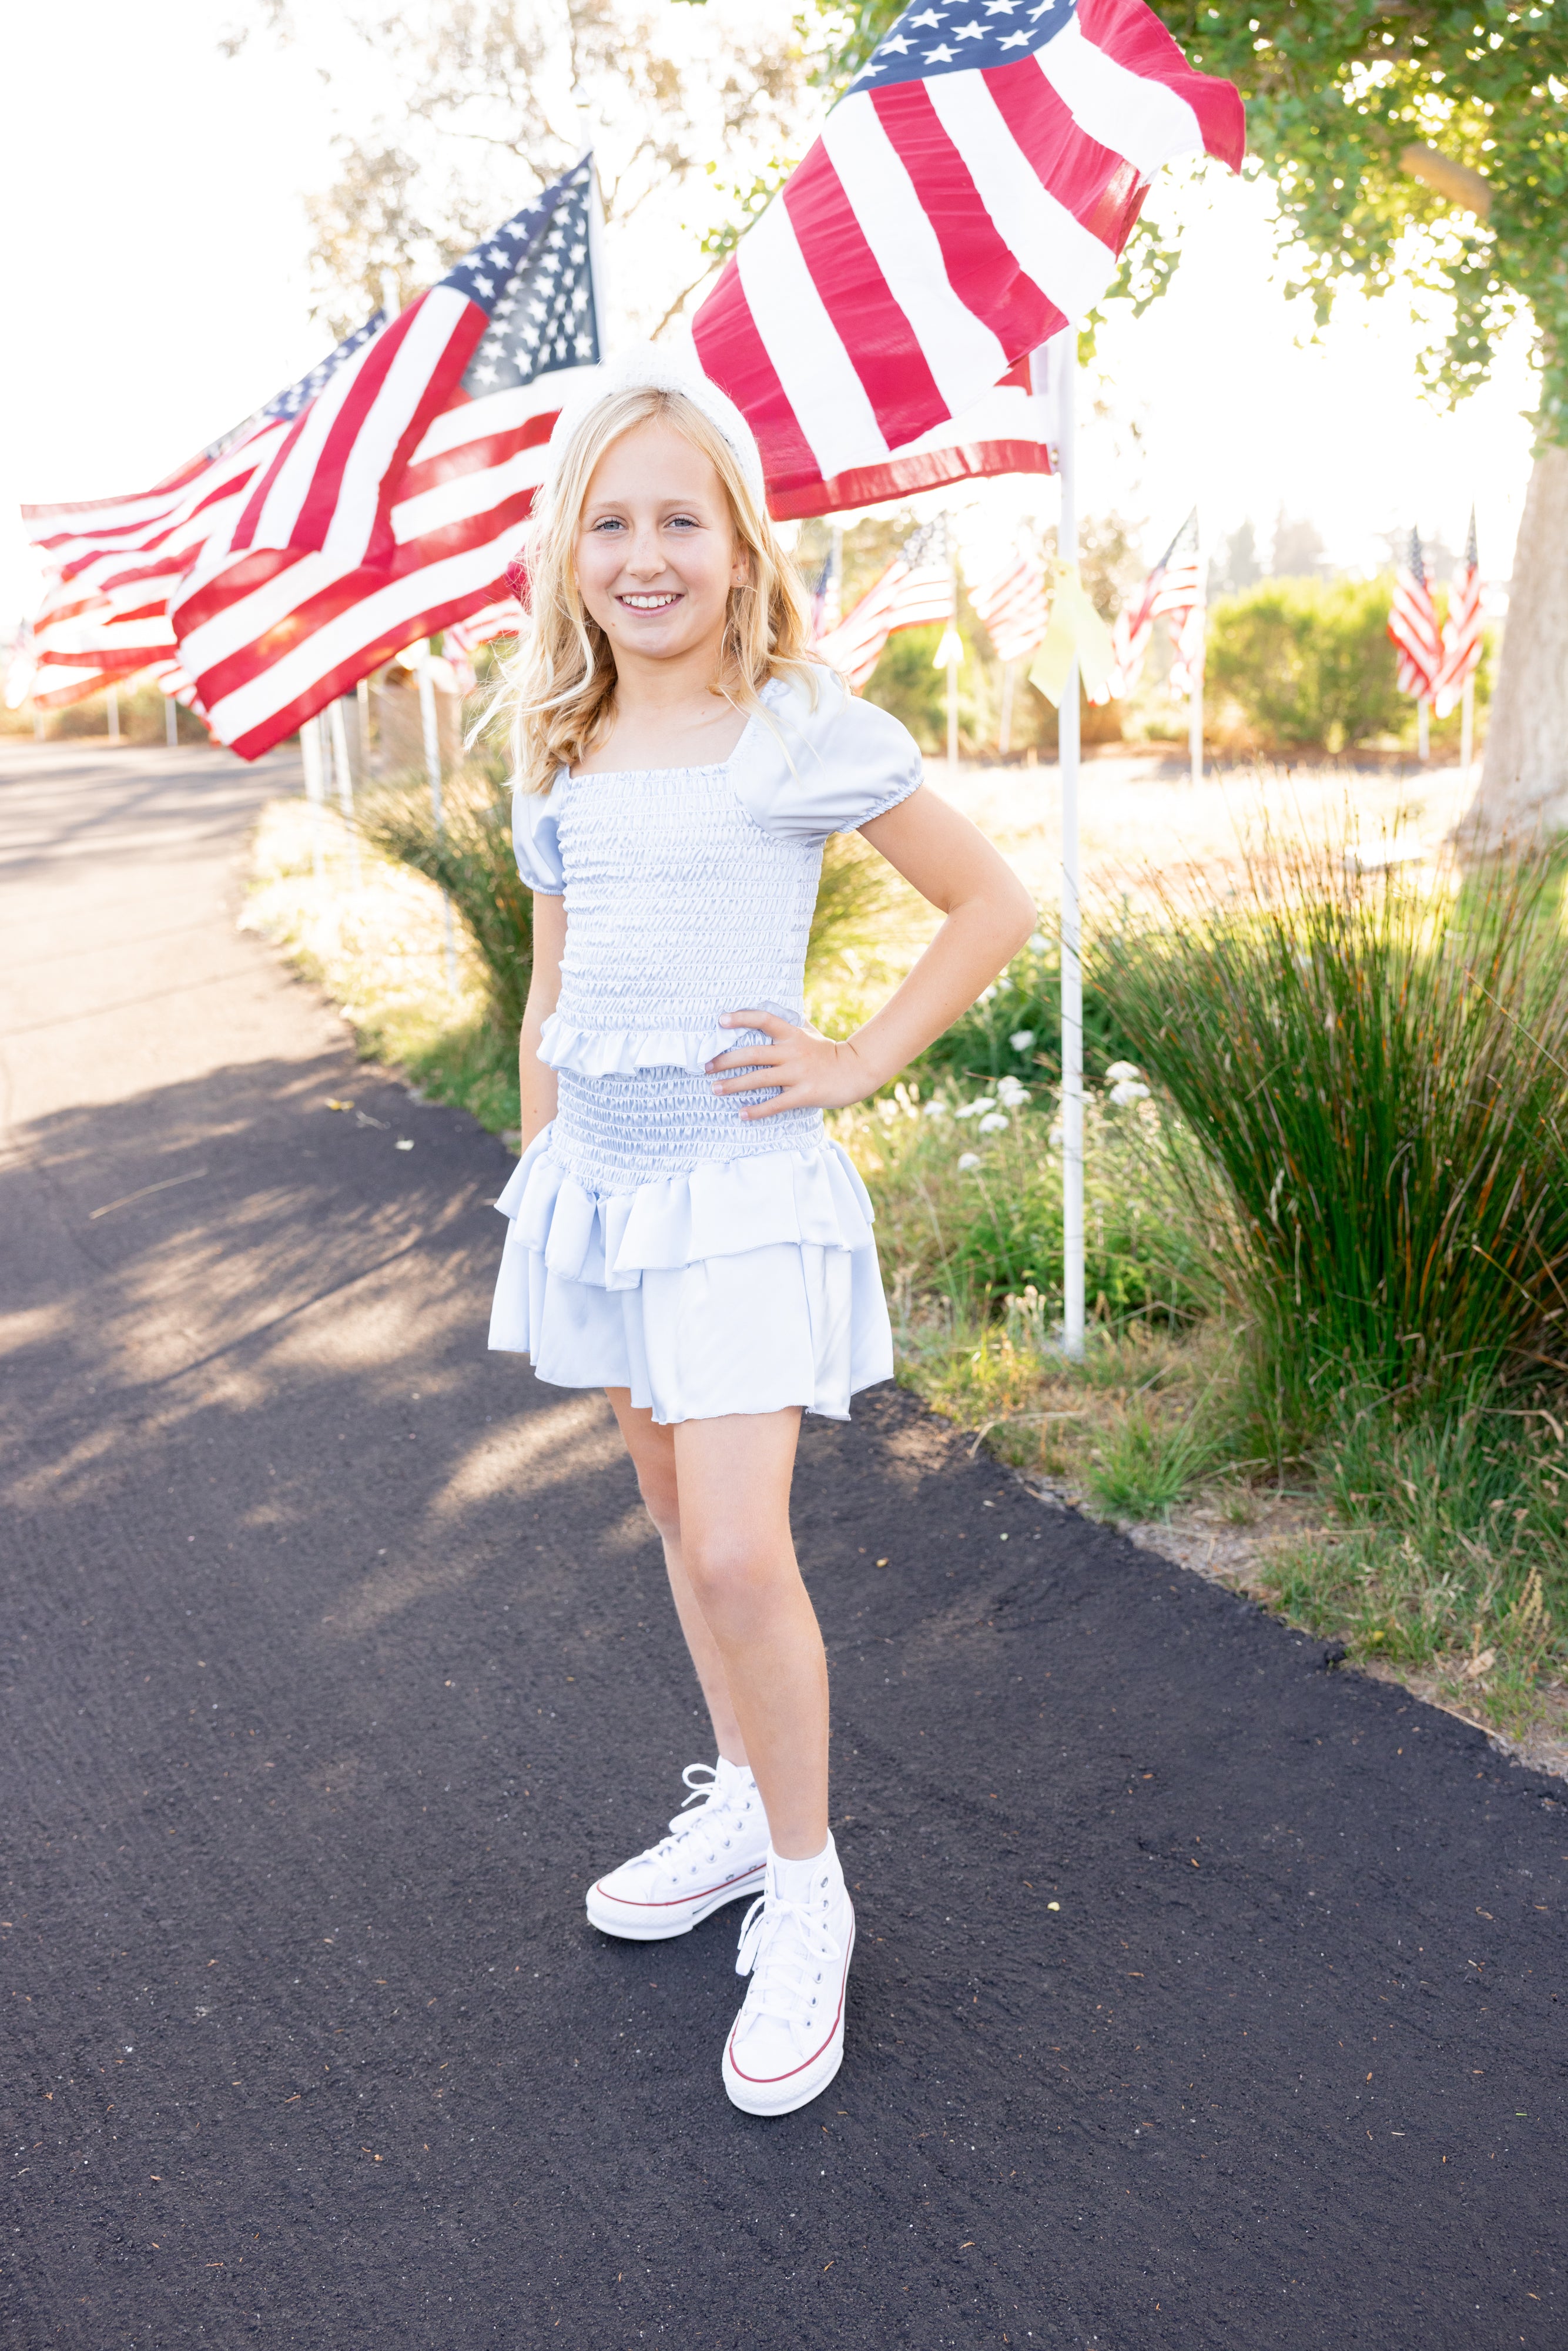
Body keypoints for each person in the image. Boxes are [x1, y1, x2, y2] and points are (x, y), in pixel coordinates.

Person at [488, 346, 1034, 2116]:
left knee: (738, 1549)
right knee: (665, 1518)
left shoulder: (799, 727)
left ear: (738, 544)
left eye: (679, 520)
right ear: (571, 550)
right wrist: (540, 1177)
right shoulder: (560, 741)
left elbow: (989, 899)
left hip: (737, 1191)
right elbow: (550, 997)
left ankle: (808, 1890)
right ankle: (737, 1797)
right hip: (607, 1191)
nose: (644, 555)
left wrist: (860, 1056)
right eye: (610, 523)